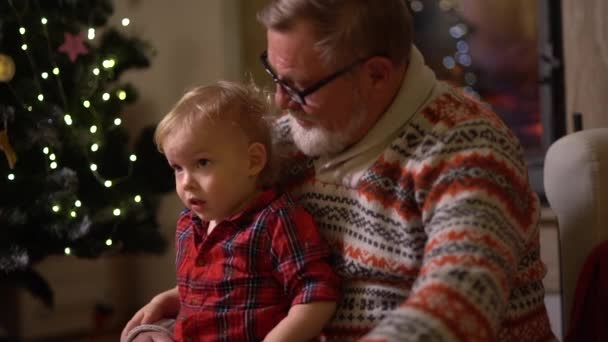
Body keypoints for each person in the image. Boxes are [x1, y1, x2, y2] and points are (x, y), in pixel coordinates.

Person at [126, 0, 557, 340]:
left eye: (298, 85)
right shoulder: (284, 143)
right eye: (273, 75)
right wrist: (186, 304)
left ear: (375, 75)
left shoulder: (467, 148)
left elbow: (458, 308)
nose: (279, 102)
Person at [120, 81, 341, 342]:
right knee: (140, 337)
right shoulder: (189, 225)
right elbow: (213, 292)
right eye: (178, 168)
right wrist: (167, 299)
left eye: (202, 163)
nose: (185, 182)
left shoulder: (276, 221)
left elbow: (317, 294)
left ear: (253, 161)